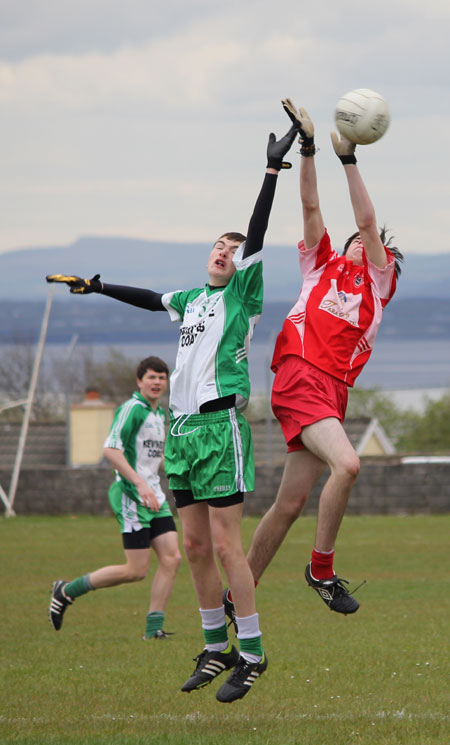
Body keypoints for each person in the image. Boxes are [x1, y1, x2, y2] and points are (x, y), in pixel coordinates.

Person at [46, 121, 297, 703]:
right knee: (196, 547)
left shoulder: (242, 295)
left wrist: (269, 173)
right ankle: (216, 646)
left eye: (232, 250)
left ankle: (253, 653)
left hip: (219, 427)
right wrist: (99, 286)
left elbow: (257, 235)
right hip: (183, 434)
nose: (223, 251)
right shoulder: (190, 300)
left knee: (230, 546)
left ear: (244, 264)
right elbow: (149, 297)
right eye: (218, 244)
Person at [224, 98, 403, 625]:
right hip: (299, 377)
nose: (360, 241)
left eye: (369, 244)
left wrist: (351, 160)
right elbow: (310, 209)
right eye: (353, 239)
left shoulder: (377, 281)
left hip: (333, 393)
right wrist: (310, 149)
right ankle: (321, 570)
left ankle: (238, 595)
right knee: (347, 464)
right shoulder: (319, 265)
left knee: (288, 503)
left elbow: (368, 222)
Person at [49, 356, 182, 640]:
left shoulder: (160, 414)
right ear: (139, 381)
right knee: (136, 570)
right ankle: (66, 591)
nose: (157, 382)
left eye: (161, 377)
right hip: (131, 494)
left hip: (153, 495)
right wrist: (140, 484)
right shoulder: (132, 409)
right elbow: (110, 450)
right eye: (151, 377)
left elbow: (154, 459)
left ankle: (153, 629)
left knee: (172, 558)